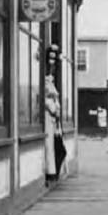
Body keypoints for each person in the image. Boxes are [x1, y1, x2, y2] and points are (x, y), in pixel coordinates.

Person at [45, 44, 64, 182]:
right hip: (47, 118)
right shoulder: (45, 84)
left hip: (54, 120)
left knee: (58, 149)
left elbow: (55, 101)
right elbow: (46, 100)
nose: (52, 67)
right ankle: (51, 172)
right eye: (50, 63)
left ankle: (54, 171)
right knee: (51, 147)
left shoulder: (50, 83)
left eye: (54, 63)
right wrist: (54, 109)